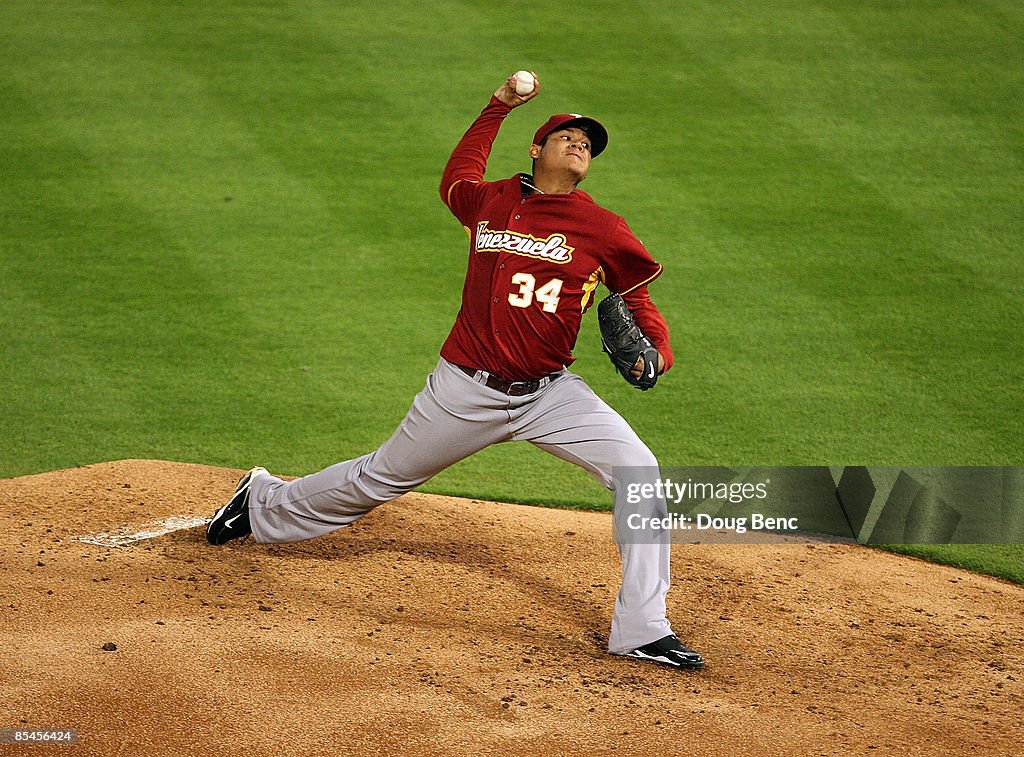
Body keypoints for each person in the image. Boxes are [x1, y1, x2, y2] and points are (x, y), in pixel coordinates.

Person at [207, 73, 704, 671]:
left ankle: (642, 628)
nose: (580, 146)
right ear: (537, 149)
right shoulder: (490, 202)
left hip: (551, 394)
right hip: (466, 388)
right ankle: (261, 502)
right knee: (380, 479)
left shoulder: (603, 227)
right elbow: (456, 177)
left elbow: (639, 297)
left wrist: (658, 354)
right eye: (567, 136)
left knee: (640, 473)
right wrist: (497, 108)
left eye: (588, 144)